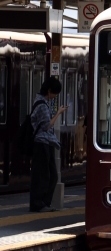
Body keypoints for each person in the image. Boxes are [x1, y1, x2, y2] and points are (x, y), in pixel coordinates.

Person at [30, 77, 68, 212]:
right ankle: (38, 204)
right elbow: (47, 125)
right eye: (54, 94)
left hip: (46, 142)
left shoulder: (43, 102)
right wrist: (58, 113)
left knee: (51, 175)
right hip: (41, 142)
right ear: (49, 90)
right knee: (44, 175)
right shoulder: (41, 105)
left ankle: (44, 203)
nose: (54, 97)